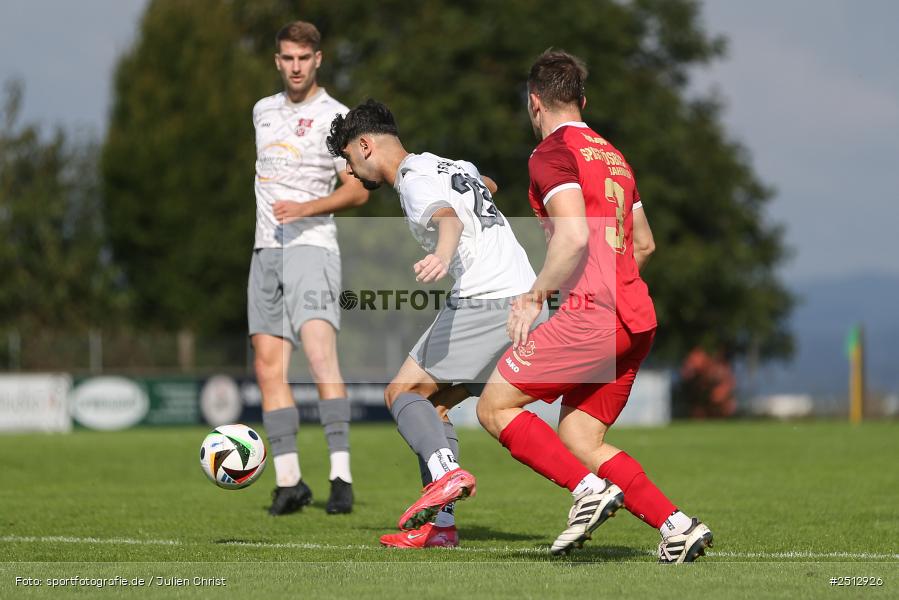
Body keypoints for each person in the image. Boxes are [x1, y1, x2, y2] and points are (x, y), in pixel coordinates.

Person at [474, 50, 713, 562]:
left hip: (593, 315)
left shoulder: (550, 154)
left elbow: (575, 235)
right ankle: (677, 527)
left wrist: (534, 296)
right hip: (636, 318)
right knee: (581, 434)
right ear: (582, 100)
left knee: (493, 407)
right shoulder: (614, 157)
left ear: (534, 102)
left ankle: (589, 491)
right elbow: (644, 243)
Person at [326, 99, 545, 548]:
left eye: (349, 159)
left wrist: (442, 255)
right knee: (435, 405)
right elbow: (487, 184)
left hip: (486, 298)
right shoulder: (446, 164)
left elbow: (446, 219)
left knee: (401, 392)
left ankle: (446, 474)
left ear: (365, 145)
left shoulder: (411, 182)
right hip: (522, 298)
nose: (351, 172)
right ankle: (441, 529)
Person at [249, 21, 368, 516]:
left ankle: (340, 476)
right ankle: (289, 481)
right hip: (264, 252)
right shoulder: (261, 111)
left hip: (313, 248)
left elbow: (359, 189)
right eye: (287, 58)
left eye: (304, 58)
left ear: (318, 59)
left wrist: (307, 209)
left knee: (321, 361)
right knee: (267, 368)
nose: (295, 66)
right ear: (277, 61)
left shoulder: (336, 117)